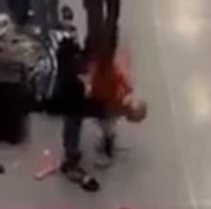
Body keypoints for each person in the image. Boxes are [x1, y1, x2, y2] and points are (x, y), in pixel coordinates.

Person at [49, 36, 147, 191]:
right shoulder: (111, 77)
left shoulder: (122, 90)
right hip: (89, 95)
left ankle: (85, 148)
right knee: (74, 117)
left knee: (94, 119)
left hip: (98, 98)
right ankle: (72, 154)